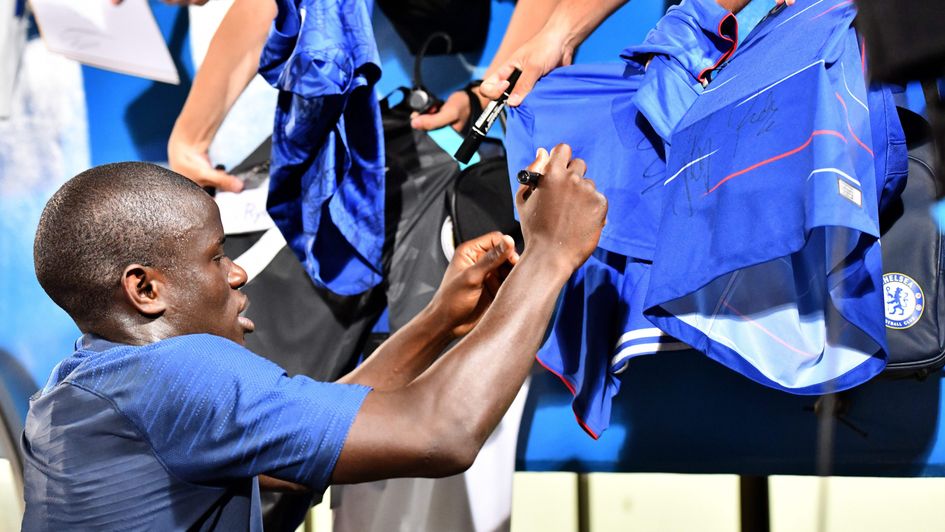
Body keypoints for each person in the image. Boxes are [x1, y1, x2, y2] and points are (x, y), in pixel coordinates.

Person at [22, 144, 606, 530]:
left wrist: (438, 323)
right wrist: (550, 253)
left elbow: (312, 443)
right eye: (215, 256)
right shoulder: (176, 374)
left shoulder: (78, 388)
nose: (237, 273)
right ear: (146, 289)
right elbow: (443, 432)